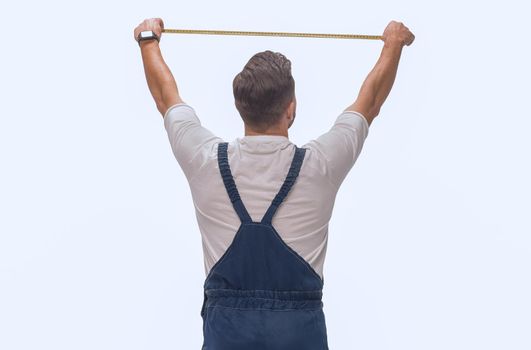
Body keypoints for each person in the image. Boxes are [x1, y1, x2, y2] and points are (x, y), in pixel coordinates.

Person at [134, 18, 414, 350]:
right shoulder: (320, 165)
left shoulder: (205, 161)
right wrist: (393, 43)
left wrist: (148, 39)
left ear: (239, 107)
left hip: (227, 336)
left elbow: (166, 98)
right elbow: (370, 103)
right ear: (291, 109)